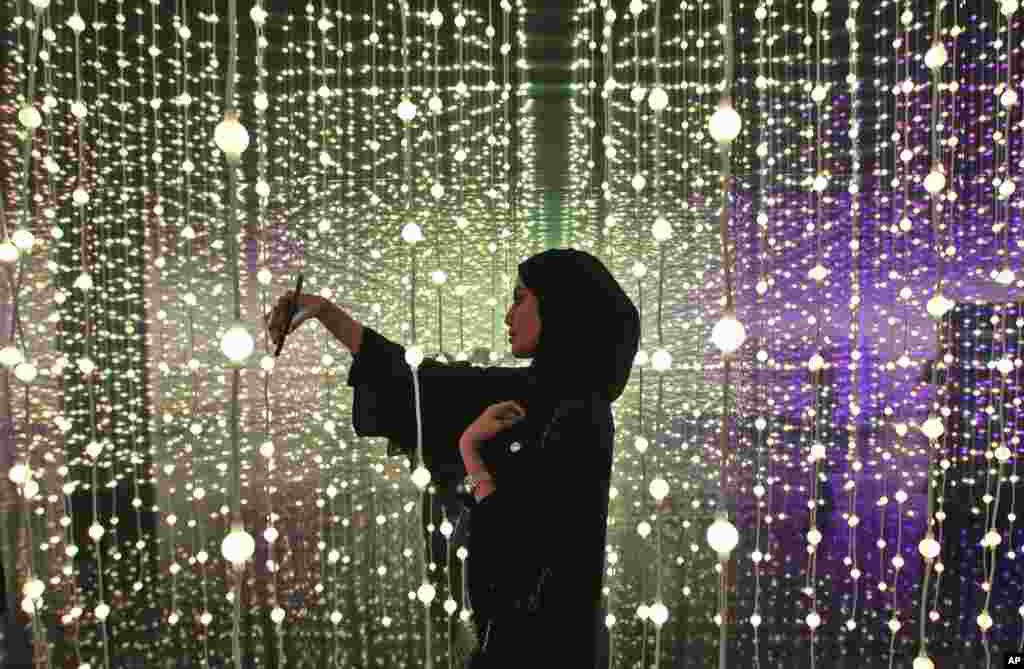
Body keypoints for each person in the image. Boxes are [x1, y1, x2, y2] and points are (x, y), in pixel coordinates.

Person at [266, 248, 641, 668]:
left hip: (538, 648)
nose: (507, 315)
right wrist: (324, 312)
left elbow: (520, 545)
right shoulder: (549, 396)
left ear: (558, 306)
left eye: (520, 299)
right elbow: (431, 385)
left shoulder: (576, 414)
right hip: (539, 641)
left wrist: (471, 454)